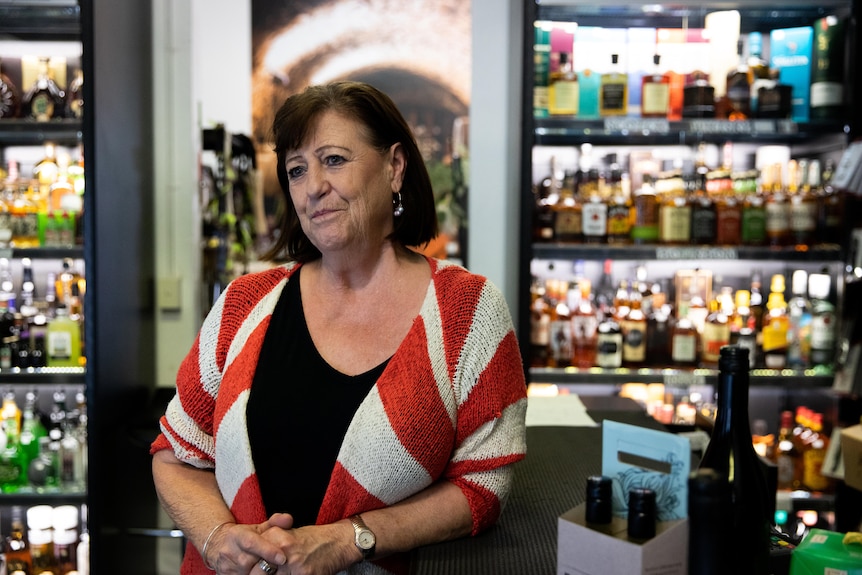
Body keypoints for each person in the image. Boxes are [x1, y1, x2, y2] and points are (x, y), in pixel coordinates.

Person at [151, 80, 528, 575]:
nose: (313, 188)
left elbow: (484, 485)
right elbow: (175, 456)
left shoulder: (468, 311)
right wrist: (217, 536)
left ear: (394, 167)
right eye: (297, 170)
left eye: (333, 160)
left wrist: (351, 540)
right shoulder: (245, 303)